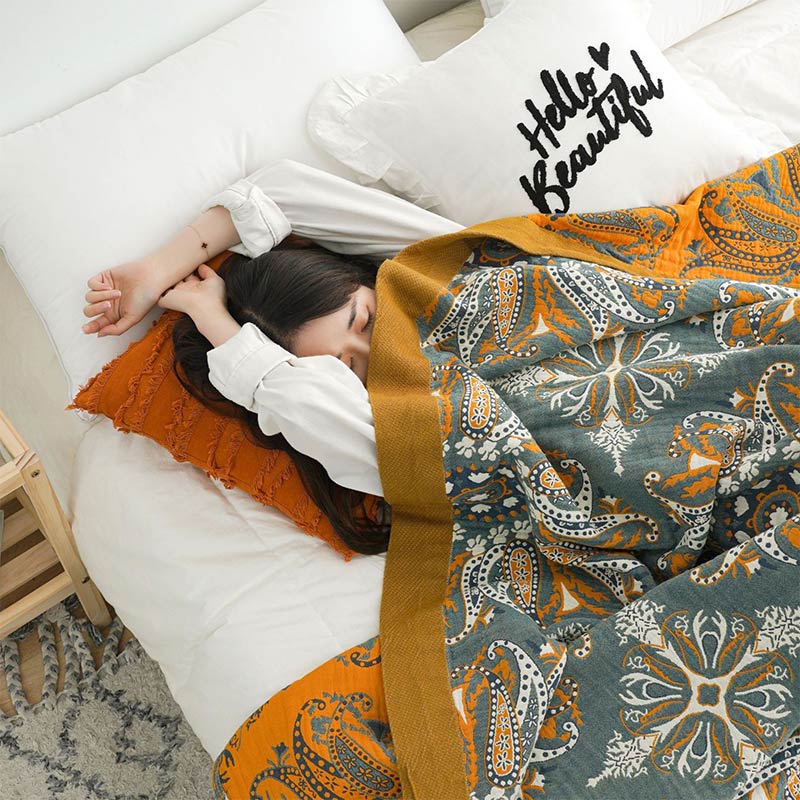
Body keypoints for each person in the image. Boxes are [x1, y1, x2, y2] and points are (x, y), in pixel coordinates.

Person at [81, 159, 462, 553]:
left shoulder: (450, 263)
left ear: (367, 277)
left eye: (368, 321)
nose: (379, 352)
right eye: (348, 368)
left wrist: (156, 269)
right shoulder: (414, 446)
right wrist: (215, 323)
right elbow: (307, 407)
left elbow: (283, 191)